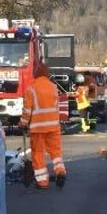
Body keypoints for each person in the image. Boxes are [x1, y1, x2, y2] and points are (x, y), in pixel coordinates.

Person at [20, 61, 66, 189]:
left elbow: (27, 110)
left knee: (38, 154)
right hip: (53, 126)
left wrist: (23, 123)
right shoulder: (53, 87)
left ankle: (42, 182)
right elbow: (57, 107)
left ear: (35, 73)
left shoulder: (31, 88)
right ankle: (60, 171)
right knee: (56, 152)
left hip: (38, 127)